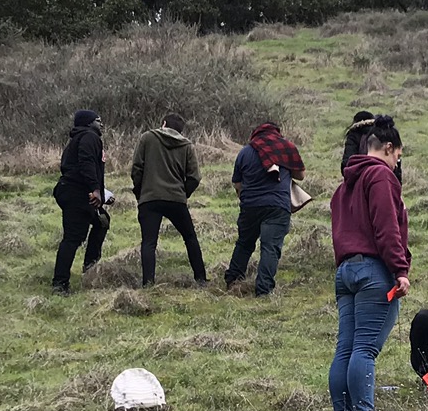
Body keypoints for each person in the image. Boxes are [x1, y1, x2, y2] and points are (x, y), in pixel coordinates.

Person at [328, 115, 409, 411]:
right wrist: (400, 269)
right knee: (365, 349)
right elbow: (386, 227)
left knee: (346, 348)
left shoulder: (344, 185)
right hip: (374, 272)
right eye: (398, 157)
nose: (397, 165)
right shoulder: (380, 177)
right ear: (388, 148)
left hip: (345, 271)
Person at [223, 120, 302, 296]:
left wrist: (246, 199)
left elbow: (237, 184)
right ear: (277, 133)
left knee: (244, 243)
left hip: (250, 206)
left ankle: (233, 280)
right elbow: (300, 175)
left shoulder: (245, 152)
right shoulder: (287, 147)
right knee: (270, 247)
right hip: (277, 206)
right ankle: (264, 289)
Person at [129, 112, 206, 286]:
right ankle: (200, 279)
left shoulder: (147, 138)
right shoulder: (187, 146)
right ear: (180, 130)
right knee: (190, 238)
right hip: (176, 199)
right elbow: (195, 177)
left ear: (163, 123)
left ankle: (148, 283)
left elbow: (136, 168)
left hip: (150, 198)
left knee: (149, 242)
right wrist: (183, 193)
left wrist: (141, 192)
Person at [51, 108, 107, 293]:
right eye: (98, 120)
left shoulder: (76, 140)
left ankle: (90, 269)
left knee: (102, 221)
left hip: (74, 191)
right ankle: (60, 284)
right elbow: (86, 163)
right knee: (72, 238)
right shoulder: (90, 137)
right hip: (77, 193)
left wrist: (101, 192)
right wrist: (95, 189)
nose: (101, 124)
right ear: (89, 123)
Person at [340, 109, 402, 182]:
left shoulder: (353, 135)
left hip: (358, 180)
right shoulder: (380, 134)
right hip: (384, 178)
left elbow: (346, 164)